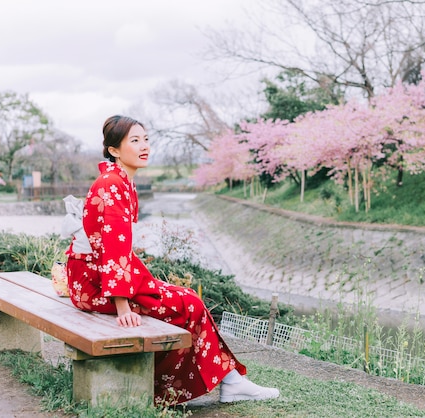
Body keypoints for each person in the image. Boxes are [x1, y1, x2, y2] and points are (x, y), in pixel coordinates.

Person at [65, 115, 279, 405]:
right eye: (135, 141)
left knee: (188, 299)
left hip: (99, 274)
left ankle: (231, 381)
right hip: (97, 283)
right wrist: (122, 305)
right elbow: (113, 248)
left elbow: (115, 248)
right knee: (189, 305)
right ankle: (188, 386)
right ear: (114, 150)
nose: (144, 147)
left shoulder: (121, 181)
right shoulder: (112, 184)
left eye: (146, 139)